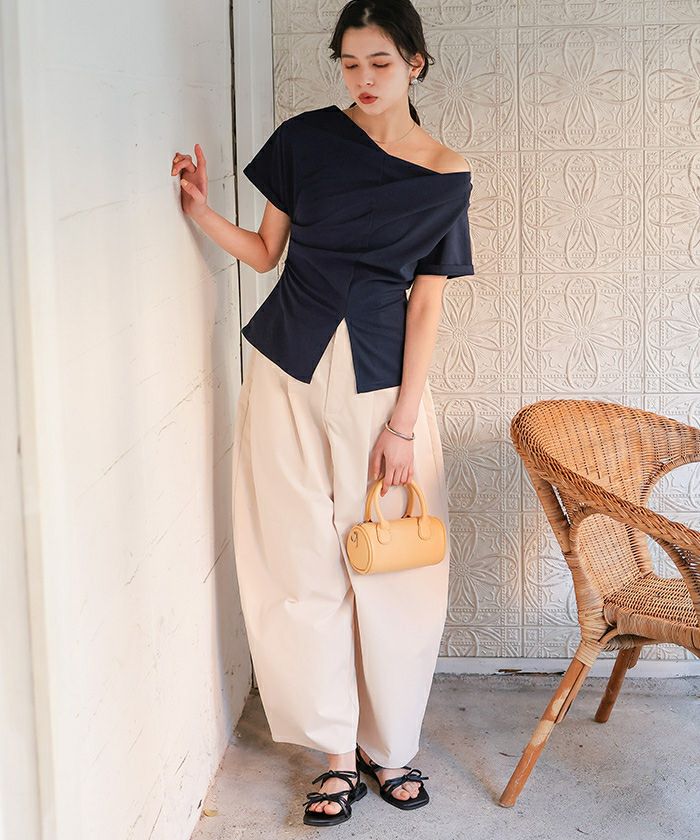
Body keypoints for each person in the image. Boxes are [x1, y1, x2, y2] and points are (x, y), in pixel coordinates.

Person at [170, 0, 475, 827]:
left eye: (380, 62)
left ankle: (390, 746)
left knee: (396, 570)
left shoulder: (446, 174)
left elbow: (426, 306)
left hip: (382, 390)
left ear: (414, 62)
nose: (363, 79)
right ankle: (336, 756)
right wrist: (201, 213)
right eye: (350, 63)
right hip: (286, 374)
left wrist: (404, 425)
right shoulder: (305, 140)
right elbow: (267, 251)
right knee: (298, 564)